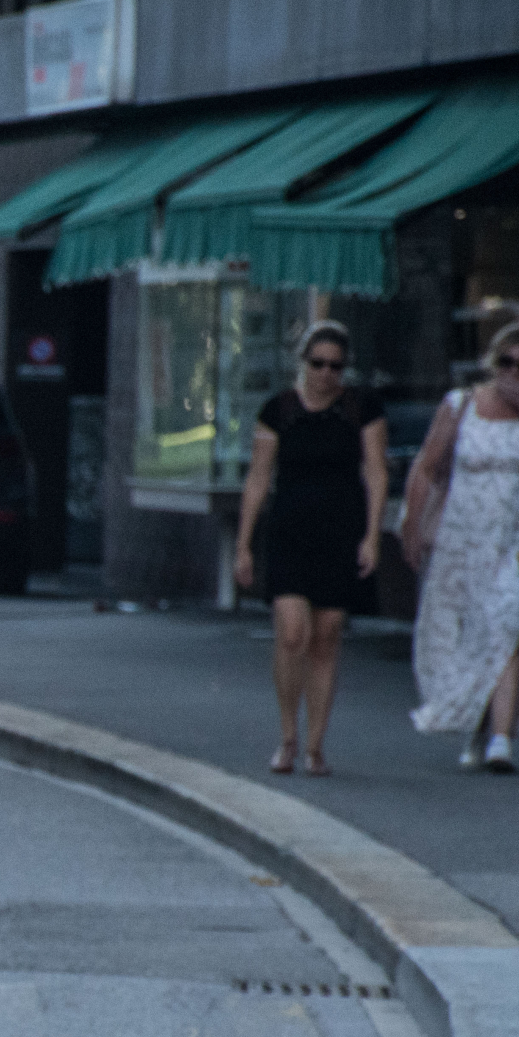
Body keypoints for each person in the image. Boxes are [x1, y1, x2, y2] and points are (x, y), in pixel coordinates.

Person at [399, 324, 519, 772]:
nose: (514, 372)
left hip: (516, 536)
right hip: (463, 535)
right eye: (506, 362)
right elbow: (429, 466)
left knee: (507, 625)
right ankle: (476, 726)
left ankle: (501, 739)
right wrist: (413, 523)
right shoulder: (461, 404)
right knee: (472, 633)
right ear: (492, 362)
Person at [233, 320, 389, 776]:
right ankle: (287, 736)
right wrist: (243, 544)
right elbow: (258, 478)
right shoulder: (278, 409)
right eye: (317, 364)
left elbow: (376, 472)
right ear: (303, 362)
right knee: (292, 632)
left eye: (335, 366)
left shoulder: (362, 409)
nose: (326, 374)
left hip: (341, 528)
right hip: (289, 529)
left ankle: (316, 744)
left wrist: (373, 535)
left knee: (327, 635)